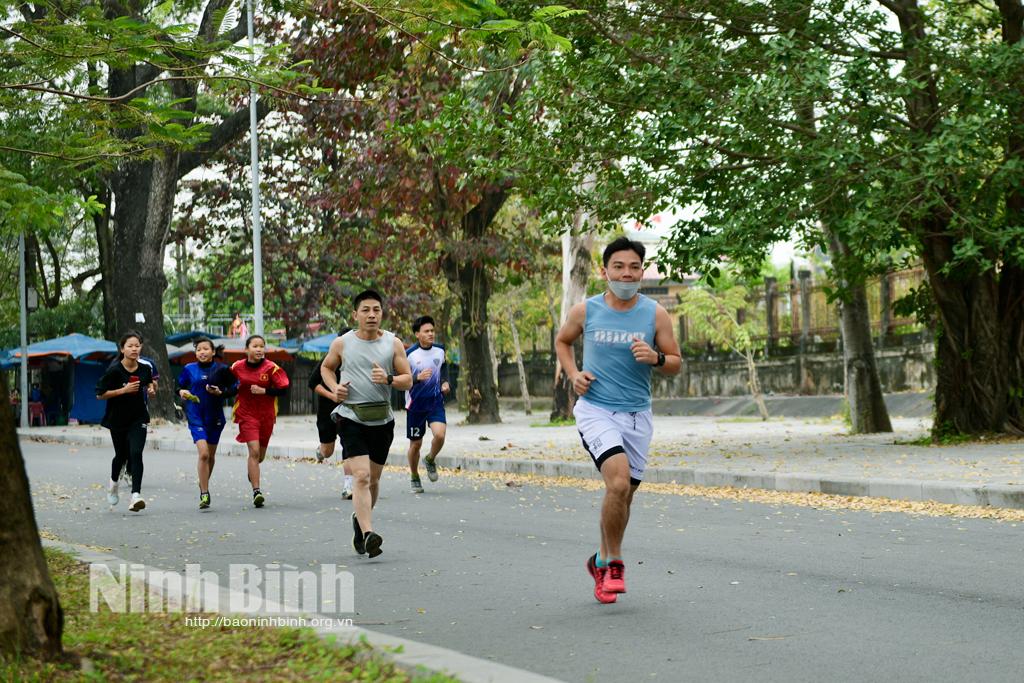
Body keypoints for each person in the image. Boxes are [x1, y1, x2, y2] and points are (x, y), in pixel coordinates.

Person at [555, 236, 682, 604]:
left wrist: (656, 358)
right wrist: (573, 373)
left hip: (637, 414)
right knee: (618, 483)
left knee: (623, 497)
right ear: (604, 271)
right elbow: (563, 342)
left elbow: (675, 361)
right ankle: (614, 564)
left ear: (643, 271)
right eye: (619, 267)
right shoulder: (586, 310)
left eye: (634, 267)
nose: (626, 274)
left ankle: (598, 559)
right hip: (596, 409)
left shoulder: (655, 313)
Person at [321, 290, 412, 558]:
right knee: (360, 476)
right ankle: (370, 533)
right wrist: (335, 387)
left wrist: (388, 379)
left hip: (382, 419)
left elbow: (408, 378)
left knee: (373, 480)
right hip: (351, 417)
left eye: (376, 310)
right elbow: (326, 368)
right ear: (355, 314)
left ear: (382, 313)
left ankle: (359, 522)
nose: (371, 315)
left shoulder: (393, 344)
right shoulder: (342, 343)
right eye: (365, 310)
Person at [96, 331, 158, 512]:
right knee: (121, 456)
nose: (134, 349)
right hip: (117, 419)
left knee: (136, 452)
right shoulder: (114, 370)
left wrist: (151, 391)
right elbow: (100, 394)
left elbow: (149, 384)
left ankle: (135, 495)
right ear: (122, 349)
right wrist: (122, 391)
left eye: (137, 345)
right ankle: (113, 484)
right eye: (130, 346)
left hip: (138, 417)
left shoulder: (145, 369)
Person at [229, 334, 290, 507]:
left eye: (261, 346)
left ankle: (252, 470)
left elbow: (283, 391)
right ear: (246, 349)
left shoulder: (272, 368)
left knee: (260, 456)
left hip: (267, 415)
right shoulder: (236, 367)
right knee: (254, 452)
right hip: (246, 414)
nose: (259, 349)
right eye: (255, 346)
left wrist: (265, 392)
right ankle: (257, 491)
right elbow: (229, 385)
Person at [177, 338, 236, 509]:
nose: (202, 352)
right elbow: (179, 386)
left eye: (205, 349)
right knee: (203, 454)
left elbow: (235, 387)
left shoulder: (222, 369)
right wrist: (182, 391)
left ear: (212, 351)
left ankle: (203, 483)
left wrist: (221, 392)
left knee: (210, 456)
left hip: (215, 416)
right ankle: (204, 492)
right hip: (195, 415)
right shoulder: (189, 369)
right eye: (198, 350)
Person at [404, 315, 450, 493]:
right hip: (415, 406)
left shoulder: (440, 350)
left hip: (435, 402)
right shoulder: (409, 355)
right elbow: (403, 380)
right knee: (415, 444)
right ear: (417, 334)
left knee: (439, 435)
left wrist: (445, 382)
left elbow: (443, 368)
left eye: (432, 331)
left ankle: (430, 459)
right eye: (426, 331)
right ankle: (414, 476)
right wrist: (417, 378)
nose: (431, 334)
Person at [310, 327, 355, 499]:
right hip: (327, 409)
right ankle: (321, 451)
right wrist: (332, 395)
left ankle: (348, 486)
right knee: (328, 451)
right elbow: (313, 383)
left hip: (349, 410)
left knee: (348, 445)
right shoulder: (329, 360)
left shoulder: (359, 360)